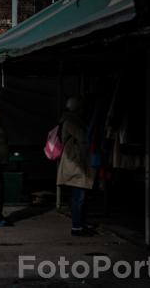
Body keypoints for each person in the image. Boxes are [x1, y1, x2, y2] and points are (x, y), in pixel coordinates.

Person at [56, 96, 96, 237]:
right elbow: (84, 137)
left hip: (75, 163)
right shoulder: (72, 122)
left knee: (80, 196)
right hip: (76, 164)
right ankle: (77, 227)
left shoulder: (69, 120)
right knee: (79, 197)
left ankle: (80, 225)